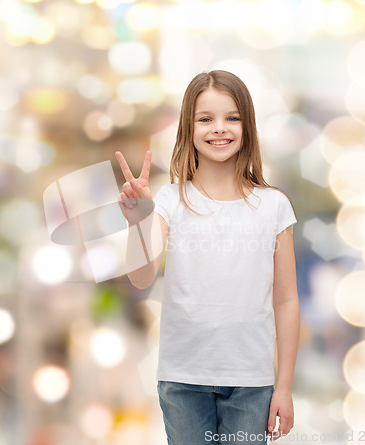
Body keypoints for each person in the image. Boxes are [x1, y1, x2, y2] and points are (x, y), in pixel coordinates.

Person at [115, 70, 299, 444]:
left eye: (232, 118)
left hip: (252, 383)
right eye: (206, 119)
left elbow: (286, 299)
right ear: (189, 127)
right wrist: (138, 221)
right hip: (183, 380)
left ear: (248, 126)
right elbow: (141, 277)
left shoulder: (274, 206)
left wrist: (284, 387)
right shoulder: (169, 200)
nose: (220, 128)